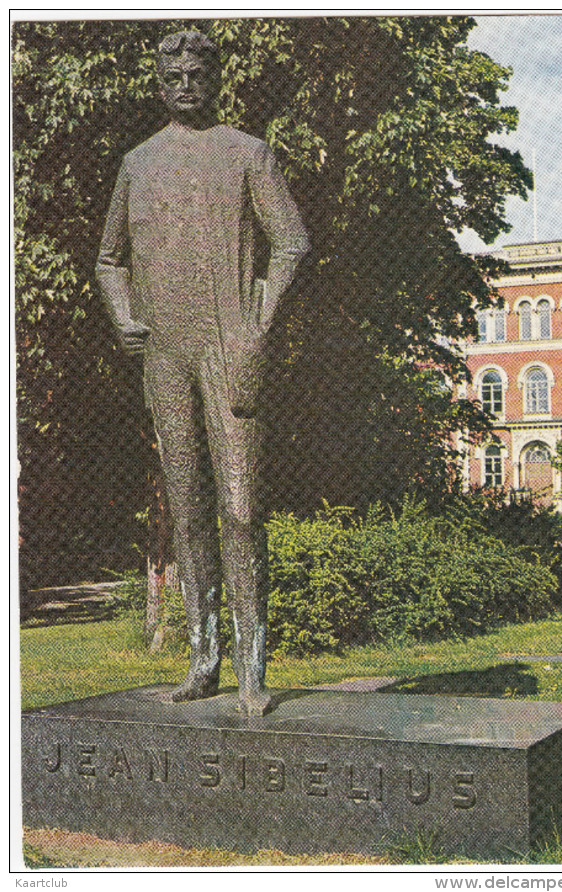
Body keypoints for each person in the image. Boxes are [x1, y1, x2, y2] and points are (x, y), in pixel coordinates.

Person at [96, 31, 310, 716]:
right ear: (158, 82)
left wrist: (260, 320)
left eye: (196, 72)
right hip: (165, 353)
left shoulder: (248, 153)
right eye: (173, 74)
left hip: (228, 347)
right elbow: (109, 260)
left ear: (214, 78)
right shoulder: (137, 163)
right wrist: (124, 315)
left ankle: (253, 669)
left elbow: (293, 243)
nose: (185, 83)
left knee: (241, 510)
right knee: (187, 509)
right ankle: (203, 659)